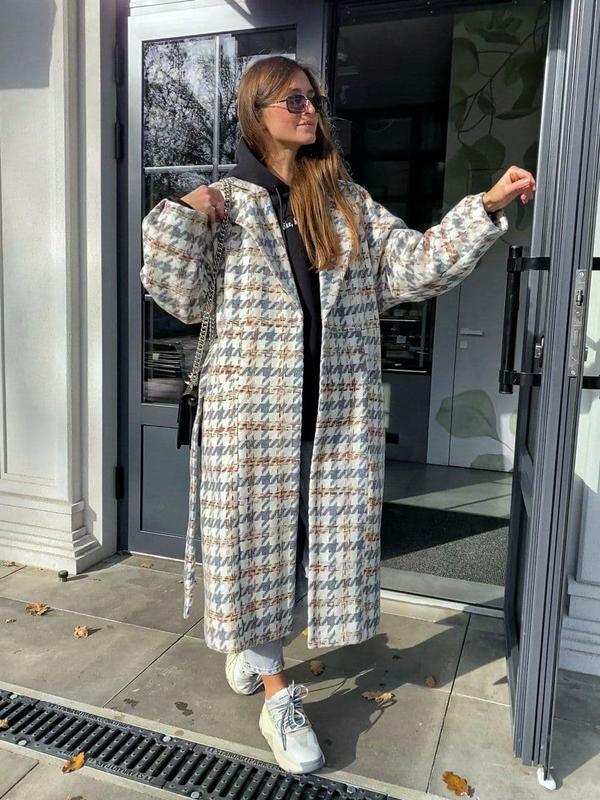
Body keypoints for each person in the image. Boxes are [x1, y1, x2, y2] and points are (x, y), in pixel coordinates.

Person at [140, 54, 535, 775]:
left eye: (311, 98)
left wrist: (483, 208)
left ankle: (255, 647)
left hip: (335, 416)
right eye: (291, 99)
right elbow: (180, 298)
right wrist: (185, 212)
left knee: (307, 550)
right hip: (250, 421)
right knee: (254, 548)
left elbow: (415, 266)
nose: (308, 109)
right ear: (256, 113)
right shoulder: (226, 205)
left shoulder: (344, 202)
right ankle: (276, 691)